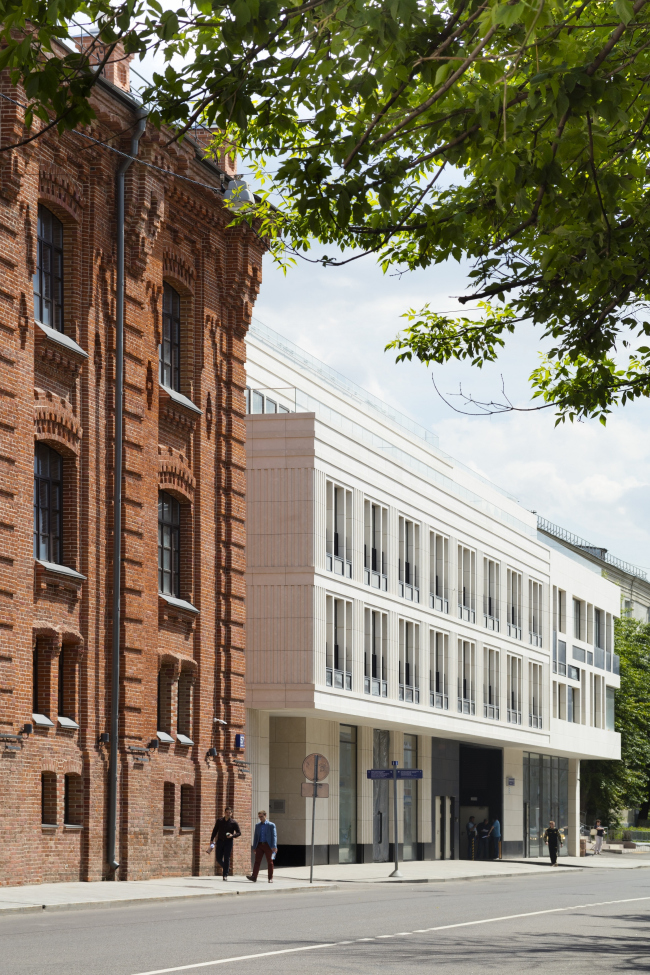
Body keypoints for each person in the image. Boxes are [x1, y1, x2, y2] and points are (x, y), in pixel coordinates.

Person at [207, 806, 241, 881]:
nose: (228, 814)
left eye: (229, 812)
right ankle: (226, 868)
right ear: (224, 813)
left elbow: (239, 833)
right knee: (218, 858)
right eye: (227, 812)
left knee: (226, 858)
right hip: (220, 841)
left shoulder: (233, 822)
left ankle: (225, 875)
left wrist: (232, 835)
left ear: (231, 814)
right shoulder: (219, 821)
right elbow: (215, 830)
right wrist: (211, 839)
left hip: (228, 842)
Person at [247, 810, 277, 883]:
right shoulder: (257, 825)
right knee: (257, 861)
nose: (260, 818)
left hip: (268, 845)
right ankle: (254, 877)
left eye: (261, 816)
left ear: (265, 815)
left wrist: (274, 846)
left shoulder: (271, 825)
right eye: (259, 817)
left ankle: (270, 878)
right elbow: (256, 837)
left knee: (270, 862)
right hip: (260, 845)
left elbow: (274, 836)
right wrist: (254, 847)